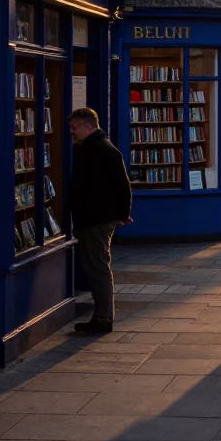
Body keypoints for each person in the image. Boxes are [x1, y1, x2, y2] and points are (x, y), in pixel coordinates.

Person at [68, 108, 133, 335]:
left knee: (98, 269)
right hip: (92, 217)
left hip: (97, 218)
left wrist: (123, 213)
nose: (72, 133)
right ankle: (101, 316)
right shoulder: (89, 148)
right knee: (96, 267)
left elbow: (122, 185)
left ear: (88, 126)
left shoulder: (103, 149)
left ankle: (103, 318)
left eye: (74, 128)